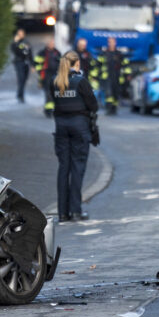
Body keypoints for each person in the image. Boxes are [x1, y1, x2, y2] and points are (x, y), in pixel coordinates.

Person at [53, 50, 98, 222]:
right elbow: (93, 106)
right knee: (77, 167)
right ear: (77, 64)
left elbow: (56, 104)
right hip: (79, 128)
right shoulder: (81, 82)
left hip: (61, 129)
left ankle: (62, 213)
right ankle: (76, 210)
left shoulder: (55, 82)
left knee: (63, 167)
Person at [99, 37, 131, 115]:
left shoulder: (119, 54)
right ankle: (109, 108)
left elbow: (126, 65)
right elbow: (98, 65)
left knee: (116, 94)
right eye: (109, 42)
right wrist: (97, 75)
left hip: (117, 77)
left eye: (112, 42)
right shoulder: (104, 53)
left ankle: (114, 108)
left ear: (115, 43)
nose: (111, 43)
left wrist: (128, 75)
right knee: (108, 94)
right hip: (107, 77)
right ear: (108, 43)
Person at [35, 37, 62, 117]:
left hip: (55, 75)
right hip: (46, 75)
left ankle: (50, 108)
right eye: (50, 44)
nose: (52, 45)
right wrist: (40, 72)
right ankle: (48, 110)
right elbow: (37, 63)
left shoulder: (57, 52)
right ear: (47, 45)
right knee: (48, 93)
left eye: (53, 44)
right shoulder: (42, 53)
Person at [10, 29, 33, 103]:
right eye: (19, 34)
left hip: (26, 63)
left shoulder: (26, 42)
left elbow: (30, 53)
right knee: (21, 78)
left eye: (21, 34)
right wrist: (15, 42)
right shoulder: (16, 43)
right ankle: (21, 96)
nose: (20, 35)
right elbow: (14, 50)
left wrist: (32, 65)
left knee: (25, 79)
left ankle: (20, 93)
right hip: (19, 62)